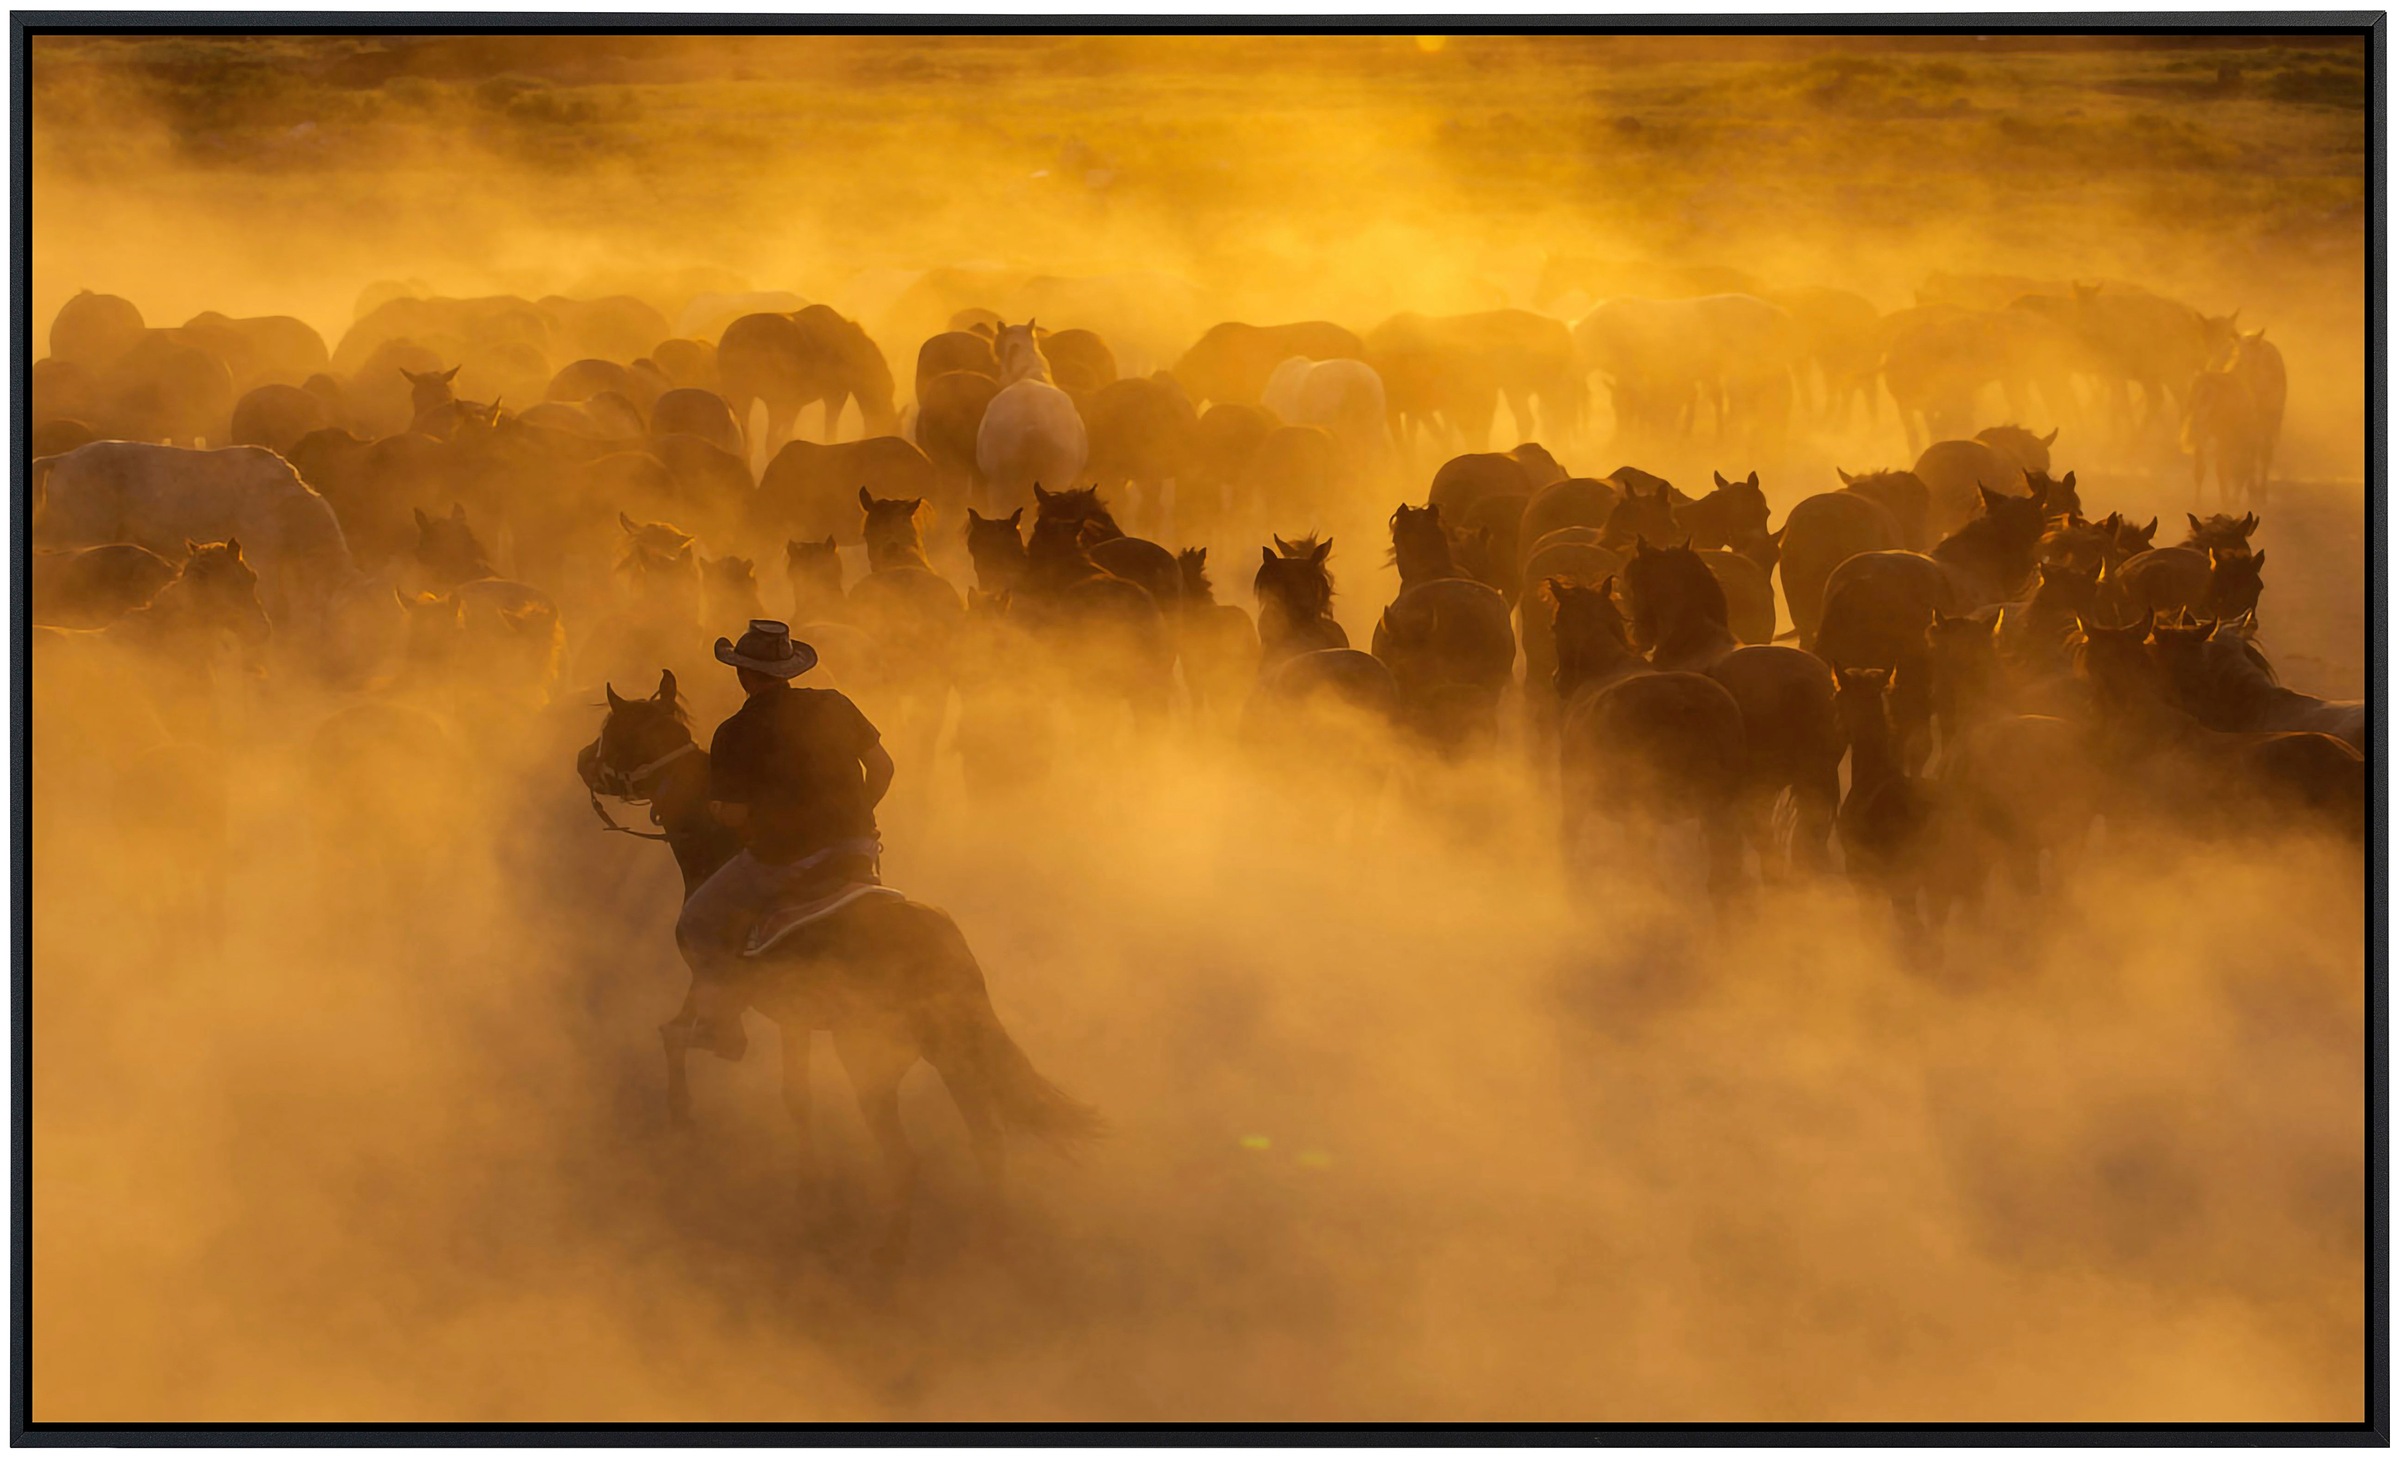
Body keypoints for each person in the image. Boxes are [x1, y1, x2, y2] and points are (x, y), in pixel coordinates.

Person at [669, 619, 895, 1061]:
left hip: (785, 859)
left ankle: (720, 1026)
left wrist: (718, 810)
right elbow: (883, 768)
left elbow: (734, 814)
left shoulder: (734, 731)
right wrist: (857, 815)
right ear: (789, 670)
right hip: (858, 850)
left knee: (697, 921)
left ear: (743, 674)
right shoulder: (835, 703)